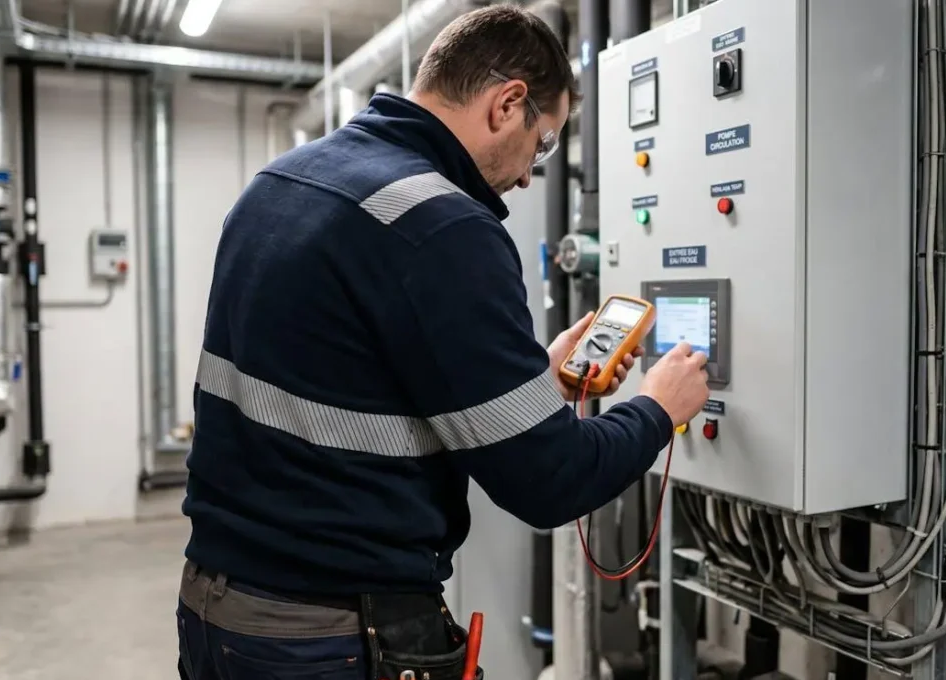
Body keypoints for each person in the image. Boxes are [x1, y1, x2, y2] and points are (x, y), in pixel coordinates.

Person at [174, 5, 711, 679]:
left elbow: (348, 372)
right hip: (328, 636)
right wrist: (660, 407)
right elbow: (549, 483)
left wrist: (530, 382)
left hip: (216, 611)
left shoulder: (282, 180)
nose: (527, 177)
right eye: (542, 144)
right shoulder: (442, 225)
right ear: (507, 103)